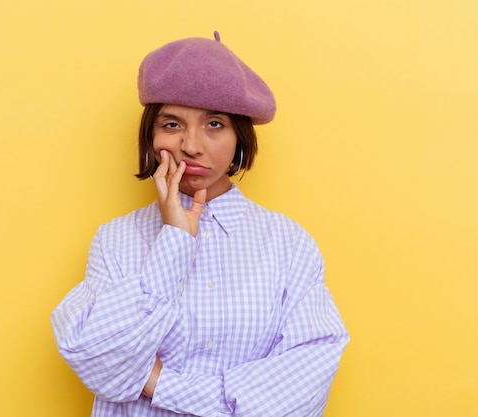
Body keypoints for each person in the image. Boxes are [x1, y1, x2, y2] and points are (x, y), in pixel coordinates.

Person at [51, 31, 349, 417]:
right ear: (151, 135)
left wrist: (160, 384)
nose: (191, 145)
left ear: (240, 137)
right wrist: (174, 240)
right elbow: (94, 357)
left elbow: (300, 387)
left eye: (214, 125)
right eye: (172, 125)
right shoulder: (116, 240)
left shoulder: (288, 244)